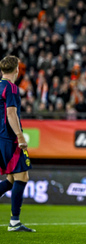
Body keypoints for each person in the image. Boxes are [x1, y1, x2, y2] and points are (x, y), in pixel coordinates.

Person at [0, 56, 35, 232]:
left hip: (2, 137)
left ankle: (15, 221)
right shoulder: (11, 88)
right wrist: (20, 136)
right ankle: (14, 222)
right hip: (10, 137)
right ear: (17, 70)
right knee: (22, 177)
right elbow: (11, 114)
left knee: (11, 179)